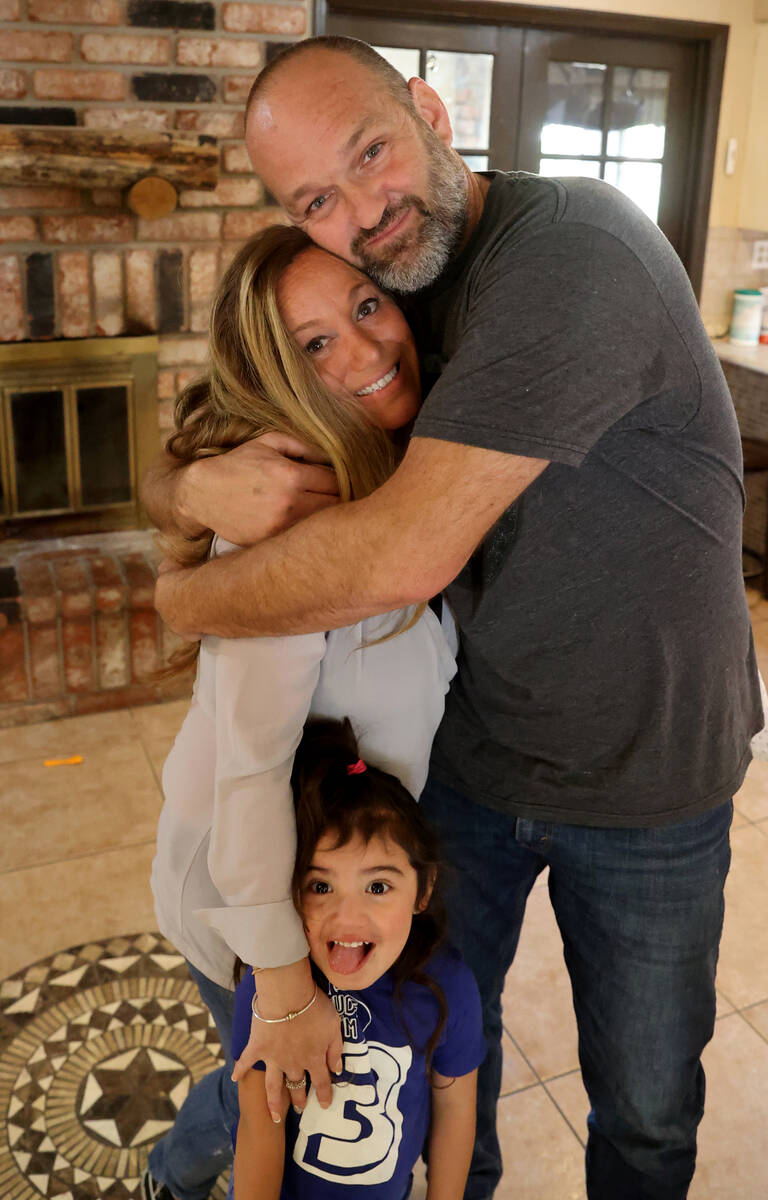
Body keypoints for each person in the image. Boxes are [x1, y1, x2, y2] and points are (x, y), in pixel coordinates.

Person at [146, 36, 764, 1200]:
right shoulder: (406, 295)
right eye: (315, 199)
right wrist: (176, 490)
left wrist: (178, 595)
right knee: (427, 1060)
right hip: (473, 775)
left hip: (649, 783)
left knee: (643, 1105)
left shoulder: (567, 251)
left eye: (370, 152)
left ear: (431, 110)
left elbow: (404, 553)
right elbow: (247, 406)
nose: (364, 212)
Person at [143, 222, 458, 1200]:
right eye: (316, 343)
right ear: (281, 375)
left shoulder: (394, 467)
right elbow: (248, 765)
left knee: (265, 1082)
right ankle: (173, 1174)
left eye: (366, 306)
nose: (363, 349)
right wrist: (279, 982)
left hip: (334, 869)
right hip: (260, 894)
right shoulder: (288, 510)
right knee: (267, 1092)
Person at [231, 717, 484, 1199]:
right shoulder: (267, 988)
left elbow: (455, 1111)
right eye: (321, 886)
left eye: (378, 886)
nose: (348, 917)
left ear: (423, 890)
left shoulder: (450, 985)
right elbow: (258, 1126)